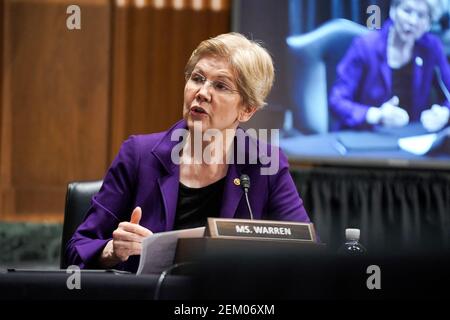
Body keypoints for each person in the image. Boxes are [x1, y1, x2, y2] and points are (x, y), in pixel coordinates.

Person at [65, 33, 311, 273]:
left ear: (246, 110)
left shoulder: (265, 164)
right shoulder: (139, 156)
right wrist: (112, 250)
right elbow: (77, 249)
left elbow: (305, 253)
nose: (202, 92)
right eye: (197, 78)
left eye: (221, 85)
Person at [329, 0, 450, 132]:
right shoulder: (365, 46)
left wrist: (445, 113)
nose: (412, 21)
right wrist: (376, 115)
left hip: (411, 139)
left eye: (421, 16)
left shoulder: (431, 47)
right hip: (366, 135)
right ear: (393, 11)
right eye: (407, 11)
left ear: (428, 23)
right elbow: (337, 100)